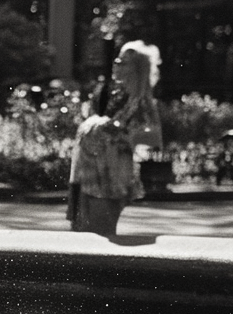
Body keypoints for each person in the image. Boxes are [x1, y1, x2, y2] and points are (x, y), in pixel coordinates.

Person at [68, 40, 162, 237]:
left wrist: (124, 134)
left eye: (123, 62)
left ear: (137, 69)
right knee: (81, 235)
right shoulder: (112, 94)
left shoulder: (141, 100)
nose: (116, 64)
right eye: (117, 60)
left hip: (111, 177)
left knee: (99, 236)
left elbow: (155, 137)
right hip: (87, 172)